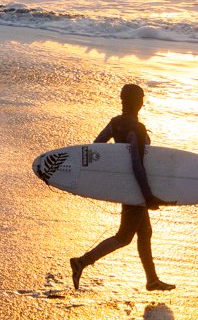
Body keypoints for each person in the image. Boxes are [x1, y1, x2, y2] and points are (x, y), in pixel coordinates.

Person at [68, 82, 176, 291]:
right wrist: (148, 195)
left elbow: (97, 146)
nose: (143, 101)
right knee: (124, 237)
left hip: (125, 185)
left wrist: (113, 171)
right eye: (141, 98)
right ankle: (81, 262)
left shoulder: (115, 123)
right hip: (135, 189)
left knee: (145, 233)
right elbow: (137, 163)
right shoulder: (137, 128)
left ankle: (152, 280)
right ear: (138, 103)